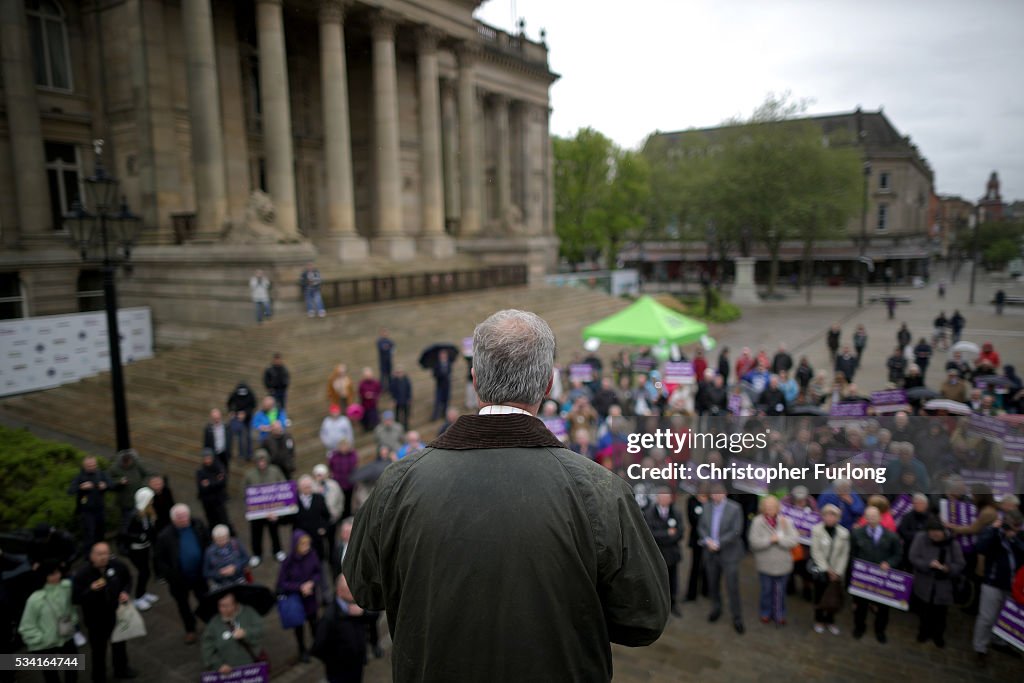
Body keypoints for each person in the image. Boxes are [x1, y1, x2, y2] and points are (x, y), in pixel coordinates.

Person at [344, 309, 668, 681]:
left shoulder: (398, 483)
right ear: (548, 385)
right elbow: (644, 617)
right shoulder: (600, 491)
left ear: (475, 379)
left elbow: (364, 588)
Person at [71, 543, 136, 682]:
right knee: (98, 650)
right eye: (99, 554)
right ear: (92, 556)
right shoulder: (82, 574)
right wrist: (91, 590)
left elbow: (127, 579)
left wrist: (125, 592)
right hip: (96, 620)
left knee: (119, 644)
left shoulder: (117, 566)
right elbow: (76, 598)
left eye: (106, 553)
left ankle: (121, 669)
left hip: (116, 614)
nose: (103, 557)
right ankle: (98, 677)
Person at [972, 509, 1024, 666]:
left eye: (1018, 526)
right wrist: (996, 530)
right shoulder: (993, 532)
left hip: (1013, 585)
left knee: (1002, 617)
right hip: (993, 583)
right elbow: (980, 547)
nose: (1015, 529)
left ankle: (998, 640)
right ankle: (980, 648)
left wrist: (1014, 539)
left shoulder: (1019, 536)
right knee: (986, 617)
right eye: (1013, 526)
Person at [155, 504, 210, 644]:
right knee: (183, 606)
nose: (184, 519)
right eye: (180, 517)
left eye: (186, 515)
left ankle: (211, 625)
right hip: (179, 579)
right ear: (173, 519)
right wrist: (170, 576)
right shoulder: (164, 536)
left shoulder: (198, 525)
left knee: (205, 600)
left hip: (199, 574)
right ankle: (190, 630)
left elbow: (207, 542)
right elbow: (159, 560)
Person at [18, 560, 79, 683]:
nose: (57, 576)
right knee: (51, 675)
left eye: (57, 572)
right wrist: (42, 639)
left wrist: (73, 621)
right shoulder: (35, 599)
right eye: (52, 574)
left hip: (66, 636)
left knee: (72, 668)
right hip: (46, 644)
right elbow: (26, 626)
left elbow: (72, 608)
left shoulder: (66, 588)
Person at [909, 518, 964, 648]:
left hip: (943, 587)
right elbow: (913, 557)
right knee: (924, 612)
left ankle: (938, 636)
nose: (934, 536)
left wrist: (947, 568)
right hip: (924, 583)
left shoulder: (952, 544)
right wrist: (928, 564)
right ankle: (923, 632)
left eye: (937, 533)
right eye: (931, 533)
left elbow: (960, 564)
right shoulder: (920, 538)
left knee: (940, 614)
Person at [850, 506, 902, 643]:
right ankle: (859, 628)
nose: (872, 519)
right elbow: (852, 554)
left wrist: (889, 563)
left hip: (882, 580)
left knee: (883, 609)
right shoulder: (857, 534)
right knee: (860, 607)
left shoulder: (891, 536)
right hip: (863, 578)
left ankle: (880, 631)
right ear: (865, 518)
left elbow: (898, 554)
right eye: (869, 516)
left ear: (880, 518)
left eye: (874, 516)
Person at [699, 483, 745, 634]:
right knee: (713, 584)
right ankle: (716, 608)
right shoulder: (706, 507)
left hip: (729, 553)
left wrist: (718, 543)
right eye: (714, 493)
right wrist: (707, 540)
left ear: (725, 493)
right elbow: (701, 527)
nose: (716, 496)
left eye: (719, 493)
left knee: (732, 587)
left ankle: (737, 617)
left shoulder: (735, 508)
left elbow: (736, 530)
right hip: (710, 553)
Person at [748, 495, 799, 626]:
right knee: (766, 591)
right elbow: (754, 543)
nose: (769, 509)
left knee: (781, 592)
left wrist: (780, 540)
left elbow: (794, 540)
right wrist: (769, 540)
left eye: (772, 507)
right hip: (765, 565)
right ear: (763, 508)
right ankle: (765, 612)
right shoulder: (757, 522)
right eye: (767, 507)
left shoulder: (786, 521)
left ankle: (780, 614)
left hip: (783, 565)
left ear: (777, 508)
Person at [312, 574, 368, 683]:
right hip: (339, 673)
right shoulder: (329, 617)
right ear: (339, 591)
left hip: (357, 665)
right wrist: (335, 662)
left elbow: (374, 615)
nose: (355, 595)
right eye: (350, 591)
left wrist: (363, 612)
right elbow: (318, 647)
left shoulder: (356, 607)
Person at [277, 531, 322, 663]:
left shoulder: (312, 555)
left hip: (310, 598)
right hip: (296, 600)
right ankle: (302, 650)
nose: (306, 547)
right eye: (303, 544)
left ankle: (317, 647)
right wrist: (299, 587)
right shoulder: (288, 561)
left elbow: (318, 572)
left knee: (314, 623)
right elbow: (281, 583)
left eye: (307, 544)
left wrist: (311, 583)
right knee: (299, 628)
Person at [201, 590, 266, 674]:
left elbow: (260, 630)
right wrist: (218, 664)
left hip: (250, 667)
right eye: (220, 606)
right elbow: (207, 647)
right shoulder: (214, 623)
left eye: (227, 606)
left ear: (235, 604)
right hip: (228, 670)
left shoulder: (249, 612)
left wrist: (246, 633)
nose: (222, 609)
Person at [810, 504, 850, 635]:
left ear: (838, 518)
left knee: (834, 597)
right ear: (823, 516)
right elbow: (816, 551)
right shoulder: (816, 530)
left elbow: (844, 554)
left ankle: (830, 621)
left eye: (833, 515)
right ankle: (819, 620)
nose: (830, 518)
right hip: (821, 570)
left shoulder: (844, 533)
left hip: (836, 572)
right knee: (819, 596)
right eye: (827, 515)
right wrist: (826, 569)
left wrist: (837, 572)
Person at [243, 451, 287, 567]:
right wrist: (250, 508)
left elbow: (283, 486)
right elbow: (245, 492)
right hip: (256, 512)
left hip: (272, 511)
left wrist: (280, 509)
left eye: (263, 460)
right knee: (256, 534)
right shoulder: (249, 474)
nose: (261, 463)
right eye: (259, 461)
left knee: (274, 532)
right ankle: (257, 554)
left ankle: (277, 551)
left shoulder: (275, 471)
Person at [644, 490, 684, 617]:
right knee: (656, 581)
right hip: (657, 554)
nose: (664, 500)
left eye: (667, 497)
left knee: (672, 581)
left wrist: (664, 536)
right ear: (657, 498)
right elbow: (650, 534)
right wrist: (667, 533)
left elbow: (680, 533)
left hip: (672, 554)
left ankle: (673, 604)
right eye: (661, 497)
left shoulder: (676, 513)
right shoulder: (649, 513)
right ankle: (657, 607)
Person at [118, 487, 159, 612]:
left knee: (146, 572)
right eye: (150, 499)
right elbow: (123, 532)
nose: (152, 501)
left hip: (145, 548)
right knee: (144, 572)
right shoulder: (133, 515)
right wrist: (138, 536)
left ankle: (143, 593)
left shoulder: (146, 513)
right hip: (136, 550)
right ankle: (138, 598)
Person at [67, 457, 111, 555]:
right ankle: (89, 555)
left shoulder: (101, 474)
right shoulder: (80, 476)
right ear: (84, 466)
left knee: (101, 532)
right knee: (89, 534)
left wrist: (105, 486)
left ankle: (102, 553)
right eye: (89, 466)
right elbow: (70, 491)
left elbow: (111, 485)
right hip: (87, 511)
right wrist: (81, 487)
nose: (92, 467)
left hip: (100, 509)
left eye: (94, 465)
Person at [313, 464, 345, 571]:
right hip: (318, 521)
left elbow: (341, 499)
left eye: (322, 475)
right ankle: (320, 559)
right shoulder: (313, 487)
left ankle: (332, 559)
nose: (320, 477)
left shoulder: (334, 485)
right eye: (318, 475)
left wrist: (337, 513)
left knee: (332, 541)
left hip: (332, 519)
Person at [108, 449, 151, 529]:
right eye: (125, 463)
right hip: (125, 501)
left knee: (142, 519)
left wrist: (144, 486)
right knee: (127, 521)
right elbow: (108, 482)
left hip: (139, 499)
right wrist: (119, 481)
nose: (127, 465)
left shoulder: (137, 464)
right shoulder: (114, 468)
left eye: (129, 462)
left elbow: (146, 474)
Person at [293, 475, 331, 561]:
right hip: (300, 536)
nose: (307, 489)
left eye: (309, 487)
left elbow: (326, 515)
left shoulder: (319, 498)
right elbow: (288, 519)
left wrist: (324, 528)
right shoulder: (294, 500)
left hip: (316, 535)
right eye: (305, 487)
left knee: (318, 559)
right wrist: (276, 518)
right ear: (299, 488)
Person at [203, 525, 250, 590]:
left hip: (239, 580)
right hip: (221, 585)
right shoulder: (209, 552)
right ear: (213, 539)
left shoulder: (236, 544)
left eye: (224, 539)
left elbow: (246, 558)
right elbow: (206, 572)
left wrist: (235, 567)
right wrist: (219, 573)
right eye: (218, 540)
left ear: (228, 537)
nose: (222, 542)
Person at [196, 449, 230, 530]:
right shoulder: (200, 471)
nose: (207, 460)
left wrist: (209, 483)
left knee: (224, 520)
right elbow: (201, 487)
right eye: (205, 458)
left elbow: (223, 483)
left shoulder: (219, 468)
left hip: (218, 501)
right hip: (207, 502)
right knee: (211, 522)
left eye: (209, 458)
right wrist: (215, 481)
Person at [328, 440, 358, 520]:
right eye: (342, 446)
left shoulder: (352, 455)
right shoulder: (334, 456)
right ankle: (340, 515)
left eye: (345, 446)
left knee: (348, 500)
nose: (344, 448)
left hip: (349, 482)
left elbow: (354, 465)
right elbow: (330, 466)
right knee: (339, 499)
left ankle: (348, 515)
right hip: (338, 483)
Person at [227, 380, 257, 460]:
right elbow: (229, 403)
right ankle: (239, 454)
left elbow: (253, 405)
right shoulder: (234, 393)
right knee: (236, 435)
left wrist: (245, 413)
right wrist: (232, 411)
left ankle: (249, 454)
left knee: (248, 436)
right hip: (237, 417)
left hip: (248, 417)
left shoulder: (250, 394)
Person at [203, 409, 232, 477]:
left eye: (218, 418)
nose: (216, 420)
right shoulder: (208, 429)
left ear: (220, 417)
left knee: (225, 470)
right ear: (211, 418)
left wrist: (229, 451)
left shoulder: (226, 426)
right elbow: (206, 443)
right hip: (214, 454)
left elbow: (229, 440)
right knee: (215, 471)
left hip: (224, 453)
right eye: (214, 418)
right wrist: (206, 456)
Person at [358, 368, 382, 432]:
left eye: (369, 375)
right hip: (365, 404)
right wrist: (365, 395)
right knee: (365, 418)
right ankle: (366, 428)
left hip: (373, 404)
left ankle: (374, 428)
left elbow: (378, 391)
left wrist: (373, 395)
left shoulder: (375, 383)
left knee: (374, 417)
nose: (368, 377)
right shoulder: (362, 383)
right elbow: (360, 392)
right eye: (367, 376)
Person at [431, 349, 452, 421]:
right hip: (439, 385)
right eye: (442, 355)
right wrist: (441, 375)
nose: (443, 356)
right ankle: (435, 416)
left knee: (446, 400)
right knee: (438, 401)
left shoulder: (448, 363)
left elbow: (450, 371)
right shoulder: (436, 364)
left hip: (447, 385)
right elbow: (434, 374)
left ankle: (444, 414)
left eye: (444, 354)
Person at [376, 329, 394, 393]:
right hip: (382, 362)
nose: (385, 334)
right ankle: (381, 388)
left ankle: (390, 387)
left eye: (386, 332)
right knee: (382, 375)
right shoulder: (379, 341)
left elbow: (392, 347)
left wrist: (387, 347)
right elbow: (383, 348)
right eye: (383, 333)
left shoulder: (389, 341)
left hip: (389, 361)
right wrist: (387, 347)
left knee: (389, 375)